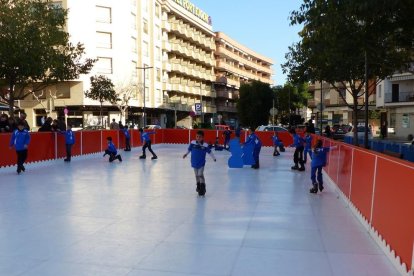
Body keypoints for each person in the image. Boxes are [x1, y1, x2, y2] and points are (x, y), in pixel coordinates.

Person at [183, 130, 216, 196]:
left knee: (200, 174)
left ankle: (203, 187)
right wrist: (186, 154)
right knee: (196, 175)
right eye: (197, 136)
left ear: (202, 138)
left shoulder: (205, 145)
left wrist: (214, 158)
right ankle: (198, 185)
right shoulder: (193, 143)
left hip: (201, 163)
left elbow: (210, 152)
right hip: (194, 162)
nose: (198, 138)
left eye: (200, 137)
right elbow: (189, 149)